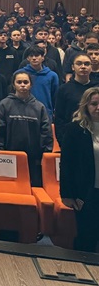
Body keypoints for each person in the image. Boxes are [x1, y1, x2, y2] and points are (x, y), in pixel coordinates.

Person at [0, 72, 53, 187]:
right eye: (19, 82)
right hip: (10, 158)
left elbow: (46, 133)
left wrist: (44, 155)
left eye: (26, 82)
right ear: (13, 85)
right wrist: (1, 153)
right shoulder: (4, 104)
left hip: (34, 160)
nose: (22, 85)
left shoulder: (39, 107)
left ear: (31, 85)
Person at [61, 87, 99, 252]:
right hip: (86, 193)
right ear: (86, 106)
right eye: (94, 104)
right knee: (86, 237)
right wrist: (67, 194)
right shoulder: (75, 129)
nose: (98, 108)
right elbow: (67, 163)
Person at [17, 46, 59, 118]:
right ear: (28, 58)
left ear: (43, 57)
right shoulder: (19, 74)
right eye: (31, 56)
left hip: (45, 113)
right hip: (23, 113)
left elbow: (55, 97)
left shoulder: (52, 76)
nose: (34, 58)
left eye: (37, 55)